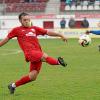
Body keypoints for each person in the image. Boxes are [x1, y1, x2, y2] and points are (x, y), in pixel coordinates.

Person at [0, 12, 67, 94]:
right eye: (25, 20)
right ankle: (58, 62)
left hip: (37, 52)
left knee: (32, 76)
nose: (27, 21)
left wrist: (60, 35)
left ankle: (13, 85)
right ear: (20, 21)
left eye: (28, 19)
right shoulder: (16, 30)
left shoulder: (34, 28)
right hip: (30, 53)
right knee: (44, 56)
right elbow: (7, 39)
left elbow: (47, 32)